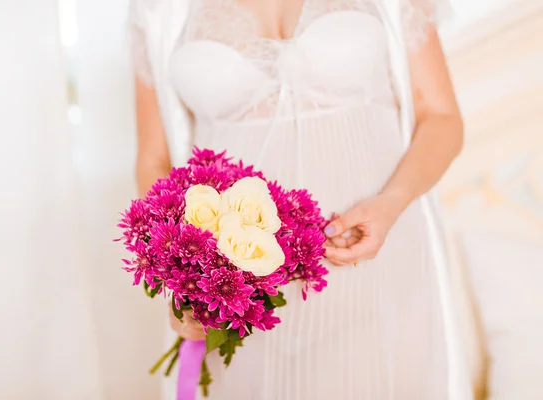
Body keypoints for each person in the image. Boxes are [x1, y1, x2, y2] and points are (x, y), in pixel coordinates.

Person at [131, 0, 471, 398]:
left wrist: (394, 200)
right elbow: (154, 160)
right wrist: (182, 279)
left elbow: (441, 115)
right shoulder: (157, 12)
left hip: (379, 270)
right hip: (242, 300)